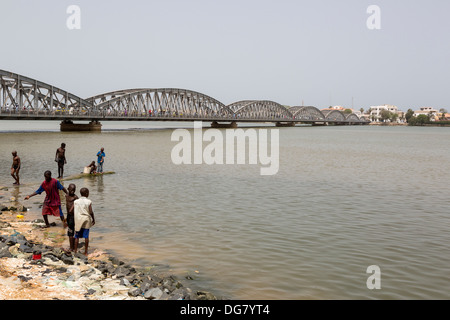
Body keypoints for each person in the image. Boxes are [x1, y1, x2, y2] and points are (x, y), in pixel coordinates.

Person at [71, 187, 95, 256]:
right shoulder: (89, 201)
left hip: (78, 219)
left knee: (76, 236)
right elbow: (90, 212)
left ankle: (75, 251)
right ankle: (86, 252)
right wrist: (93, 219)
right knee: (86, 236)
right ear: (87, 194)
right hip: (86, 219)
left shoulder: (76, 201)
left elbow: (70, 210)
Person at [65, 184, 78, 252]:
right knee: (70, 231)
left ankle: (72, 247)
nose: (72, 191)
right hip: (69, 216)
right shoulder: (66, 195)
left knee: (72, 231)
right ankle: (71, 246)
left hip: (74, 216)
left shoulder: (75, 197)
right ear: (68, 189)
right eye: (71, 190)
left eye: (74, 190)